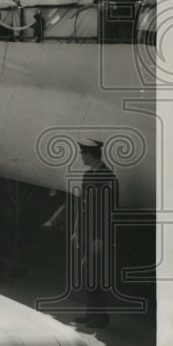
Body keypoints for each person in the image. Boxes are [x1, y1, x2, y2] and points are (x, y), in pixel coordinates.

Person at [42, 139, 117, 328]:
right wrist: (76, 230)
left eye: (83, 153)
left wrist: (101, 238)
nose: (81, 156)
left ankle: (101, 317)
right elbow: (81, 207)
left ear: (90, 155)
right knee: (87, 276)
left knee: (91, 275)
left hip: (98, 237)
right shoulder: (88, 176)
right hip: (85, 234)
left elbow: (109, 213)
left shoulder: (109, 179)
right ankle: (92, 314)